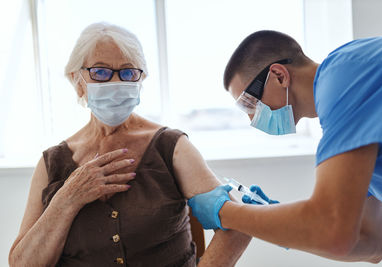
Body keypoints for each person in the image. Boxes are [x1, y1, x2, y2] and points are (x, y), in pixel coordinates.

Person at [8, 22, 251, 267]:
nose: (115, 82)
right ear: (77, 80)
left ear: (140, 79)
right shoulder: (52, 163)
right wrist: (68, 198)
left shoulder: (172, 147)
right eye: (100, 72)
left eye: (127, 72)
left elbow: (240, 226)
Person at [188, 30, 382, 264]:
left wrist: (225, 213)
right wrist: (281, 229)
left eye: (249, 103)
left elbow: (333, 230)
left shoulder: (344, 75)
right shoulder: (354, 131)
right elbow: (372, 245)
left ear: (279, 75)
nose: (251, 119)